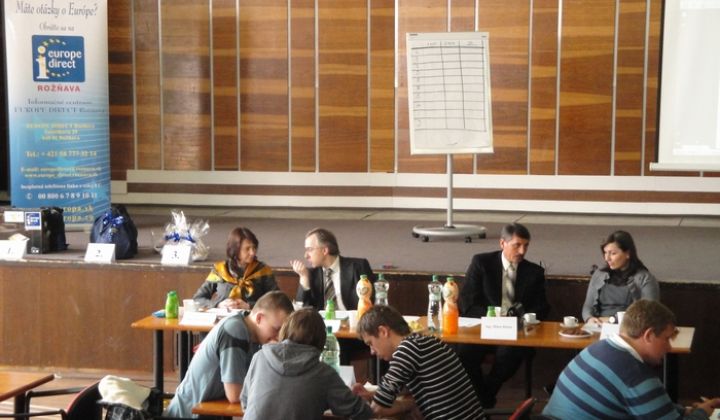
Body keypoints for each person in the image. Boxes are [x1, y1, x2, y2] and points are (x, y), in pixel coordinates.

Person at [543, 299, 720, 419]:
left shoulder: (597, 348)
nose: (668, 348)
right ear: (648, 335)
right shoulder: (636, 375)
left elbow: (646, 404)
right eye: (666, 339)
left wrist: (685, 411)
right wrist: (703, 413)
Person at [457, 222, 550, 408]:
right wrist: (494, 317)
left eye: (526, 246)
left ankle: (485, 396)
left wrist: (523, 318)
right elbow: (467, 303)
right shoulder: (481, 263)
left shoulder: (534, 272)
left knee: (510, 353)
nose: (522, 251)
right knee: (464, 352)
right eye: (517, 245)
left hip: (515, 332)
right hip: (484, 327)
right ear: (502, 243)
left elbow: (542, 307)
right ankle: (483, 397)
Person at [164, 291, 293, 418]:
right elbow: (235, 394)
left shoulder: (254, 334)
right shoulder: (235, 330)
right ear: (259, 318)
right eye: (276, 329)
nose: (279, 338)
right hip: (188, 414)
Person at [353, 305, 486, 420]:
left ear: (383, 331)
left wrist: (353, 401)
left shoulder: (406, 350)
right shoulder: (427, 341)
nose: (372, 351)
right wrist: (371, 394)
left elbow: (377, 409)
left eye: (370, 343)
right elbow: (401, 392)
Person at [241, 308, 373, 420]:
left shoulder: (259, 357)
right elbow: (361, 411)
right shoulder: (323, 373)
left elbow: (245, 402)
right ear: (321, 340)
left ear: (284, 330)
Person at [582, 230, 659, 324]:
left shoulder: (645, 278)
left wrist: (611, 320)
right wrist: (590, 319)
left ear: (628, 253)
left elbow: (649, 313)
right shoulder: (599, 274)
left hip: (630, 327)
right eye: (605, 253)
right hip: (599, 325)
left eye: (613, 253)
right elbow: (587, 307)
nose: (607, 258)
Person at [193, 227, 278, 310]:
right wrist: (217, 304)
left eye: (254, 248)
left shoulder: (263, 271)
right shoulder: (220, 270)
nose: (252, 252)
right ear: (235, 250)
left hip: (253, 317)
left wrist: (249, 306)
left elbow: (276, 300)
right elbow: (198, 299)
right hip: (223, 316)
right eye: (247, 249)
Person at [291, 227, 374, 311]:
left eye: (310, 249)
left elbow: (371, 302)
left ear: (324, 250)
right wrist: (304, 277)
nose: (306, 256)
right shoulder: (311, 274)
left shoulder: (358, 267)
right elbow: (301, 310)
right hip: (322, 319)